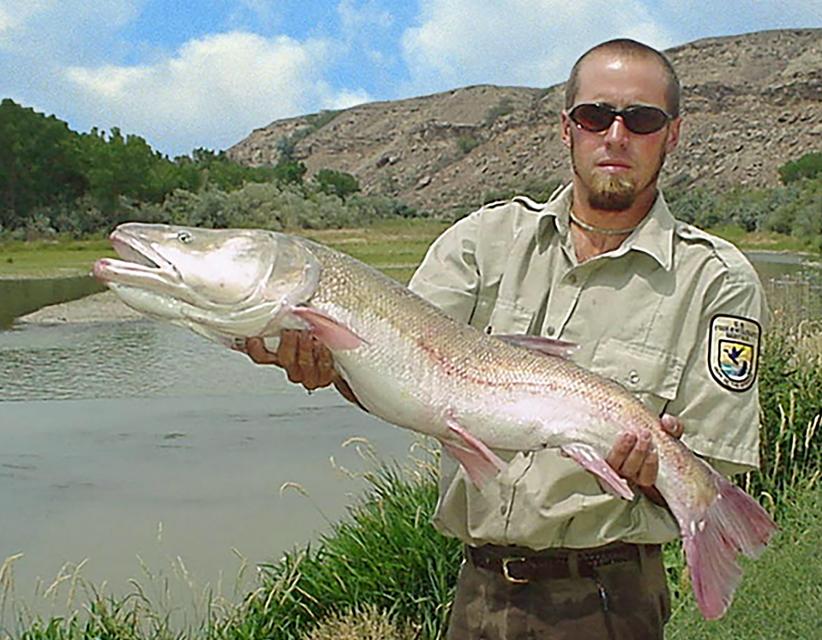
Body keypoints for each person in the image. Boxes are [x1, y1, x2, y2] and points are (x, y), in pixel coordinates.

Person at [245, 38, 767, 639]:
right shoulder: (480, 241)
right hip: (478, 594)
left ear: (672, 134)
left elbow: (715, 458)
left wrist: (649, 472)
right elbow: (398, 378)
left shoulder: (718, 279)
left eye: (642, 120)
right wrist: (331, 366)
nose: (616, 136)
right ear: (567, 128)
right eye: (596, 116)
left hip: (609, 600)